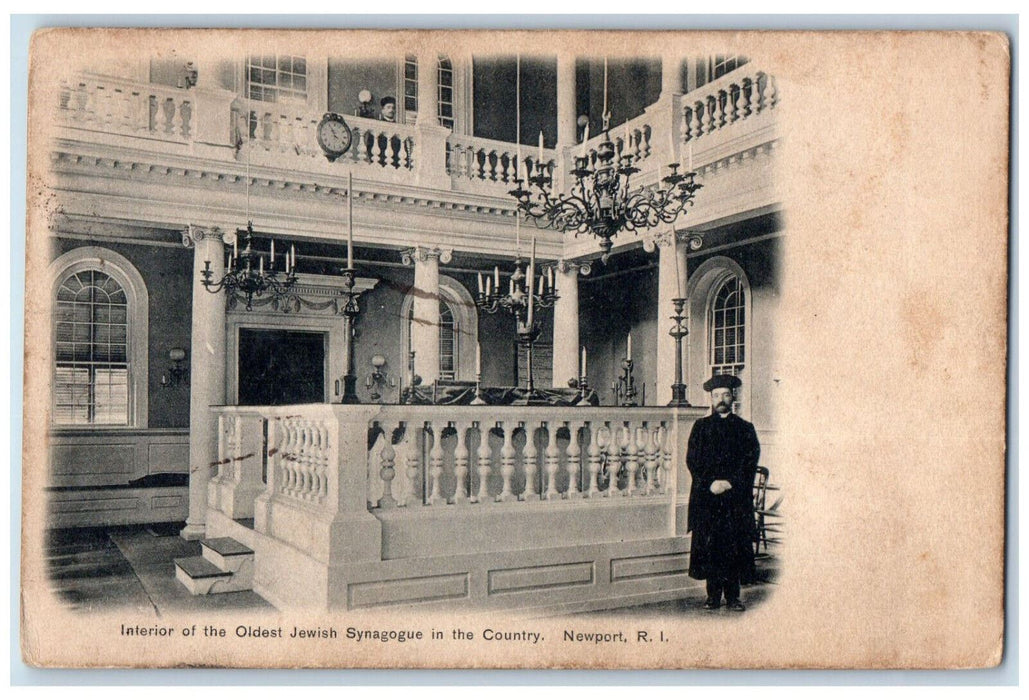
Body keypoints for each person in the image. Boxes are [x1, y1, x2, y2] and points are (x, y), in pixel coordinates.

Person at [686, 373, 760, 611]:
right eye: (716, 395)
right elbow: (693, 461)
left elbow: (750, 462)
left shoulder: (745, 429)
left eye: (725, 395)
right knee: (710, 548)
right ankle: (712, 596)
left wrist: (730, 483)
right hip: (707, 498)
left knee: (734, 547)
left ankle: (734, 597)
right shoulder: (700, 427)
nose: (721, 399)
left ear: (733, 397)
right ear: (711, 398)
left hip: (734, 499)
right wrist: (710, 483)